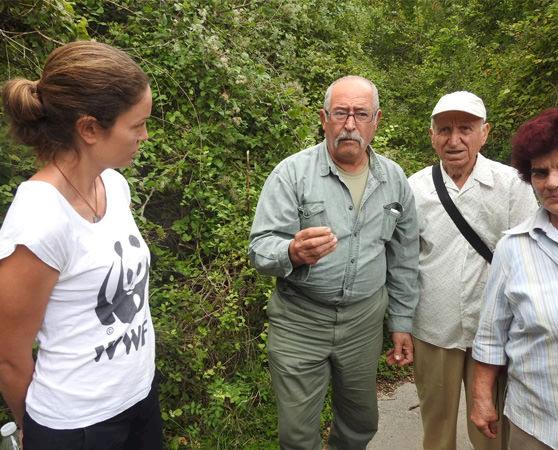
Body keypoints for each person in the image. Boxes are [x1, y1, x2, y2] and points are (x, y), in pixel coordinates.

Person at [0, 41, 162, 449]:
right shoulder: (39, 221)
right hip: (77, 426)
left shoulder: (113, 184)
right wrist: (34, 431)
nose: (145, 135)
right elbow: (9, 356)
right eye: (136, 124)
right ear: (89, 128)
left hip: (138, 397)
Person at [248, 75, 419, 450]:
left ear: (377, 119)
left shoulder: (394, 180)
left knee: (361, 424)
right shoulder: (291, 173)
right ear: (324, 118)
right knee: (297, 434)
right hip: (300, 319)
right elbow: (260, 248)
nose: (350, 124)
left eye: (361, 114)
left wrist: (402, 321)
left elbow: (404, 257)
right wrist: (291, 252)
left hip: (364, 321)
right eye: (341, 113)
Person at [408, 91, 538, 450]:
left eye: (465, 128)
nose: (455, 139)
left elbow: (527, 259)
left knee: (492, 430)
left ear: (485, 133)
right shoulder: (413, 188)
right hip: (434, 326)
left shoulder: (513, 184)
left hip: (495, 330)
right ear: (431, 135)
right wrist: (400, 323)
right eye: (444, 129)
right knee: (437, 428)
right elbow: (403, 261)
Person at [471, 108, 558, 450]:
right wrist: (481, 396)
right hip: (535, 420)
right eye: (541, 172)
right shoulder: (513, 247)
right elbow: (492, 332)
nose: (552, 182)